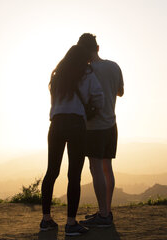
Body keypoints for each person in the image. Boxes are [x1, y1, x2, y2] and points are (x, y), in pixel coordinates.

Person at [40, 45, 104, 236]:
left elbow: (54, 102)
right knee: (74, 175)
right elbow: (99, 98)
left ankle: (46, 220)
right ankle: (70, 223)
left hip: (56, 124)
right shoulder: (87, 73)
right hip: (76, 124)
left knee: (51, 171)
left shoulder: (57, 75)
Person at [77, 33, 124, 228]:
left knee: (95, 168)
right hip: (111, 124)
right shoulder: (114, 66)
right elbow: (120, 92)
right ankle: (107, 211)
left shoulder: (85, 71)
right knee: (107, 168)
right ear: (97, 48)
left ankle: (103, 214)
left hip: (93, 127)